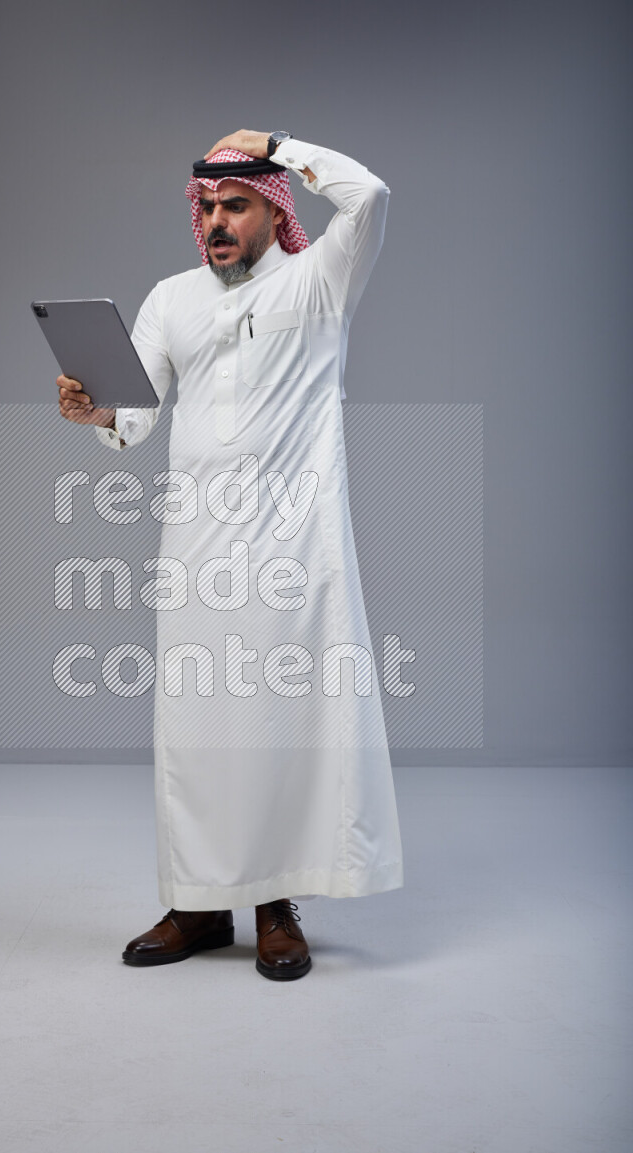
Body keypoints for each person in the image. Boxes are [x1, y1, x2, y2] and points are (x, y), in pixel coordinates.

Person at [57, 129, 403, 981]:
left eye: (235, 205)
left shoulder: (321, 280)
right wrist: (95, 411)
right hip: (198, 547)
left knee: (283, 724)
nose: (216, 220)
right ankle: (198, 905)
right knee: (198, 728)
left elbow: (371, 197)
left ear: (273, 208)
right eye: (206, 207)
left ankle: (276, 907)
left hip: (297, 546)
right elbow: (134, 417)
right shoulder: (171, 299)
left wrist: (285, 144)